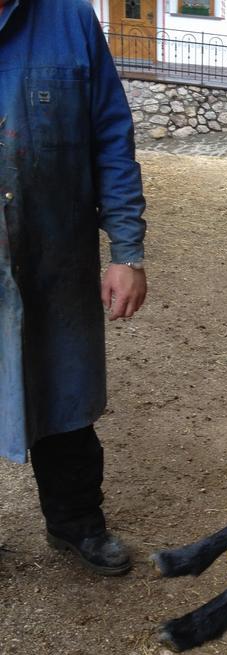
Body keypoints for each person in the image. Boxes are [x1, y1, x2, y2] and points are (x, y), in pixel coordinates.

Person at [0, 0, 147, 575]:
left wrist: (127, 251)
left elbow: (111, 136)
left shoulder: (70, 18)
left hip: (55, 258)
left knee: (65, 395)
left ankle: (76, 522)